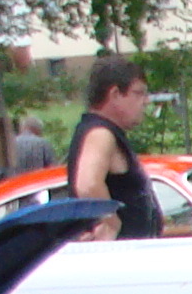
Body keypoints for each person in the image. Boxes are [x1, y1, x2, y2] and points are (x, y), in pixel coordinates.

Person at [68, 57, 160, 241]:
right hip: (120, 255)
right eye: (138, 93)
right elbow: (88, 185)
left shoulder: (104, 132)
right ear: (115, 94)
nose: (146, 101)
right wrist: (111, 222)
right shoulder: (100, 134)